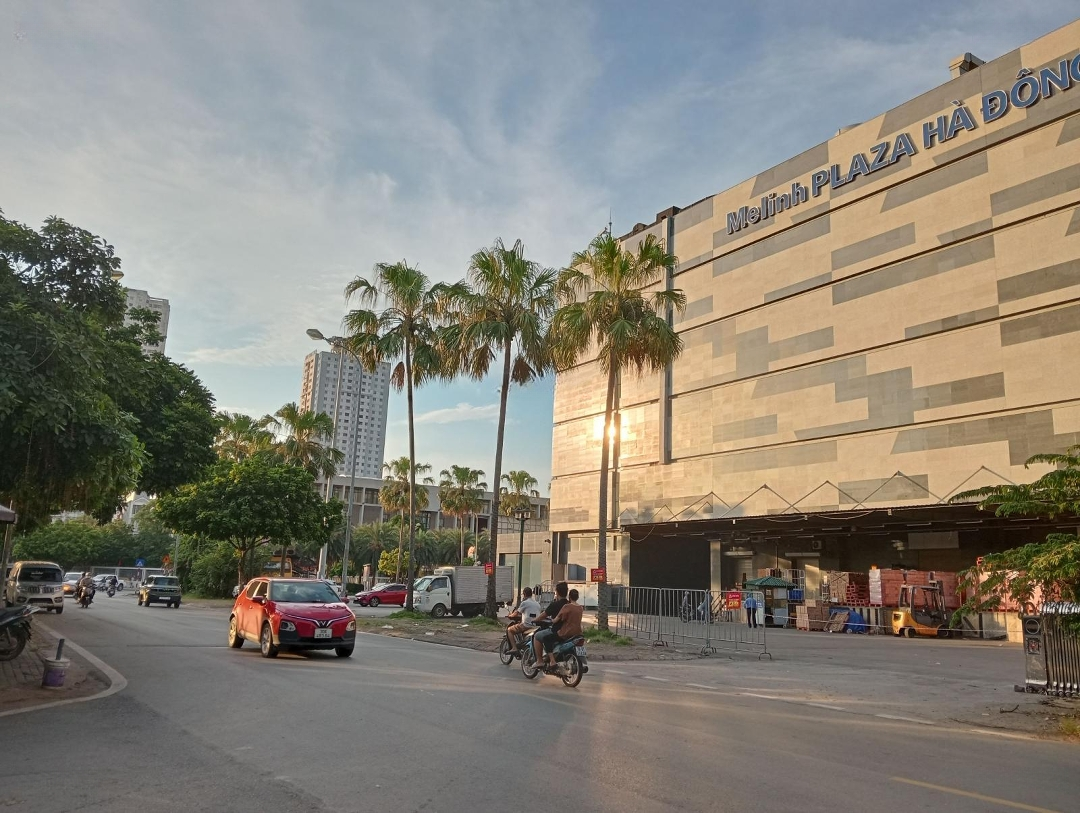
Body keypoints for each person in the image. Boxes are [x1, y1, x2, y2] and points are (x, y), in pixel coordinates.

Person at [542, 588, 584, 670]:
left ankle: (552, 661)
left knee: (546, 639)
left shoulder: (567, 606)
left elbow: (556, 619)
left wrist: (551, 620)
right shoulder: (580, 608)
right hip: (578, 633)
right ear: (578, 597)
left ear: (569, 597)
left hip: (566, 632)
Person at [531, 581, 569, 667]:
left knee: (537, 636)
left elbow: (543, 615)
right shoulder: (569, 604)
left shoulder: (555, 604)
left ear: (557, 592)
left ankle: (540, 661)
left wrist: (535, 620)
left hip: (557, 630)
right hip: (568, 630)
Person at [505, 587, 541, 653]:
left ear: (524, 594)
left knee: (509, 630)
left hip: (526, 625)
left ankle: (514, 648)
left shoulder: (525, 603)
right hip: (536, 626)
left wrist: (510, 615)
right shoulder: (537, 603)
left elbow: (516, 613)